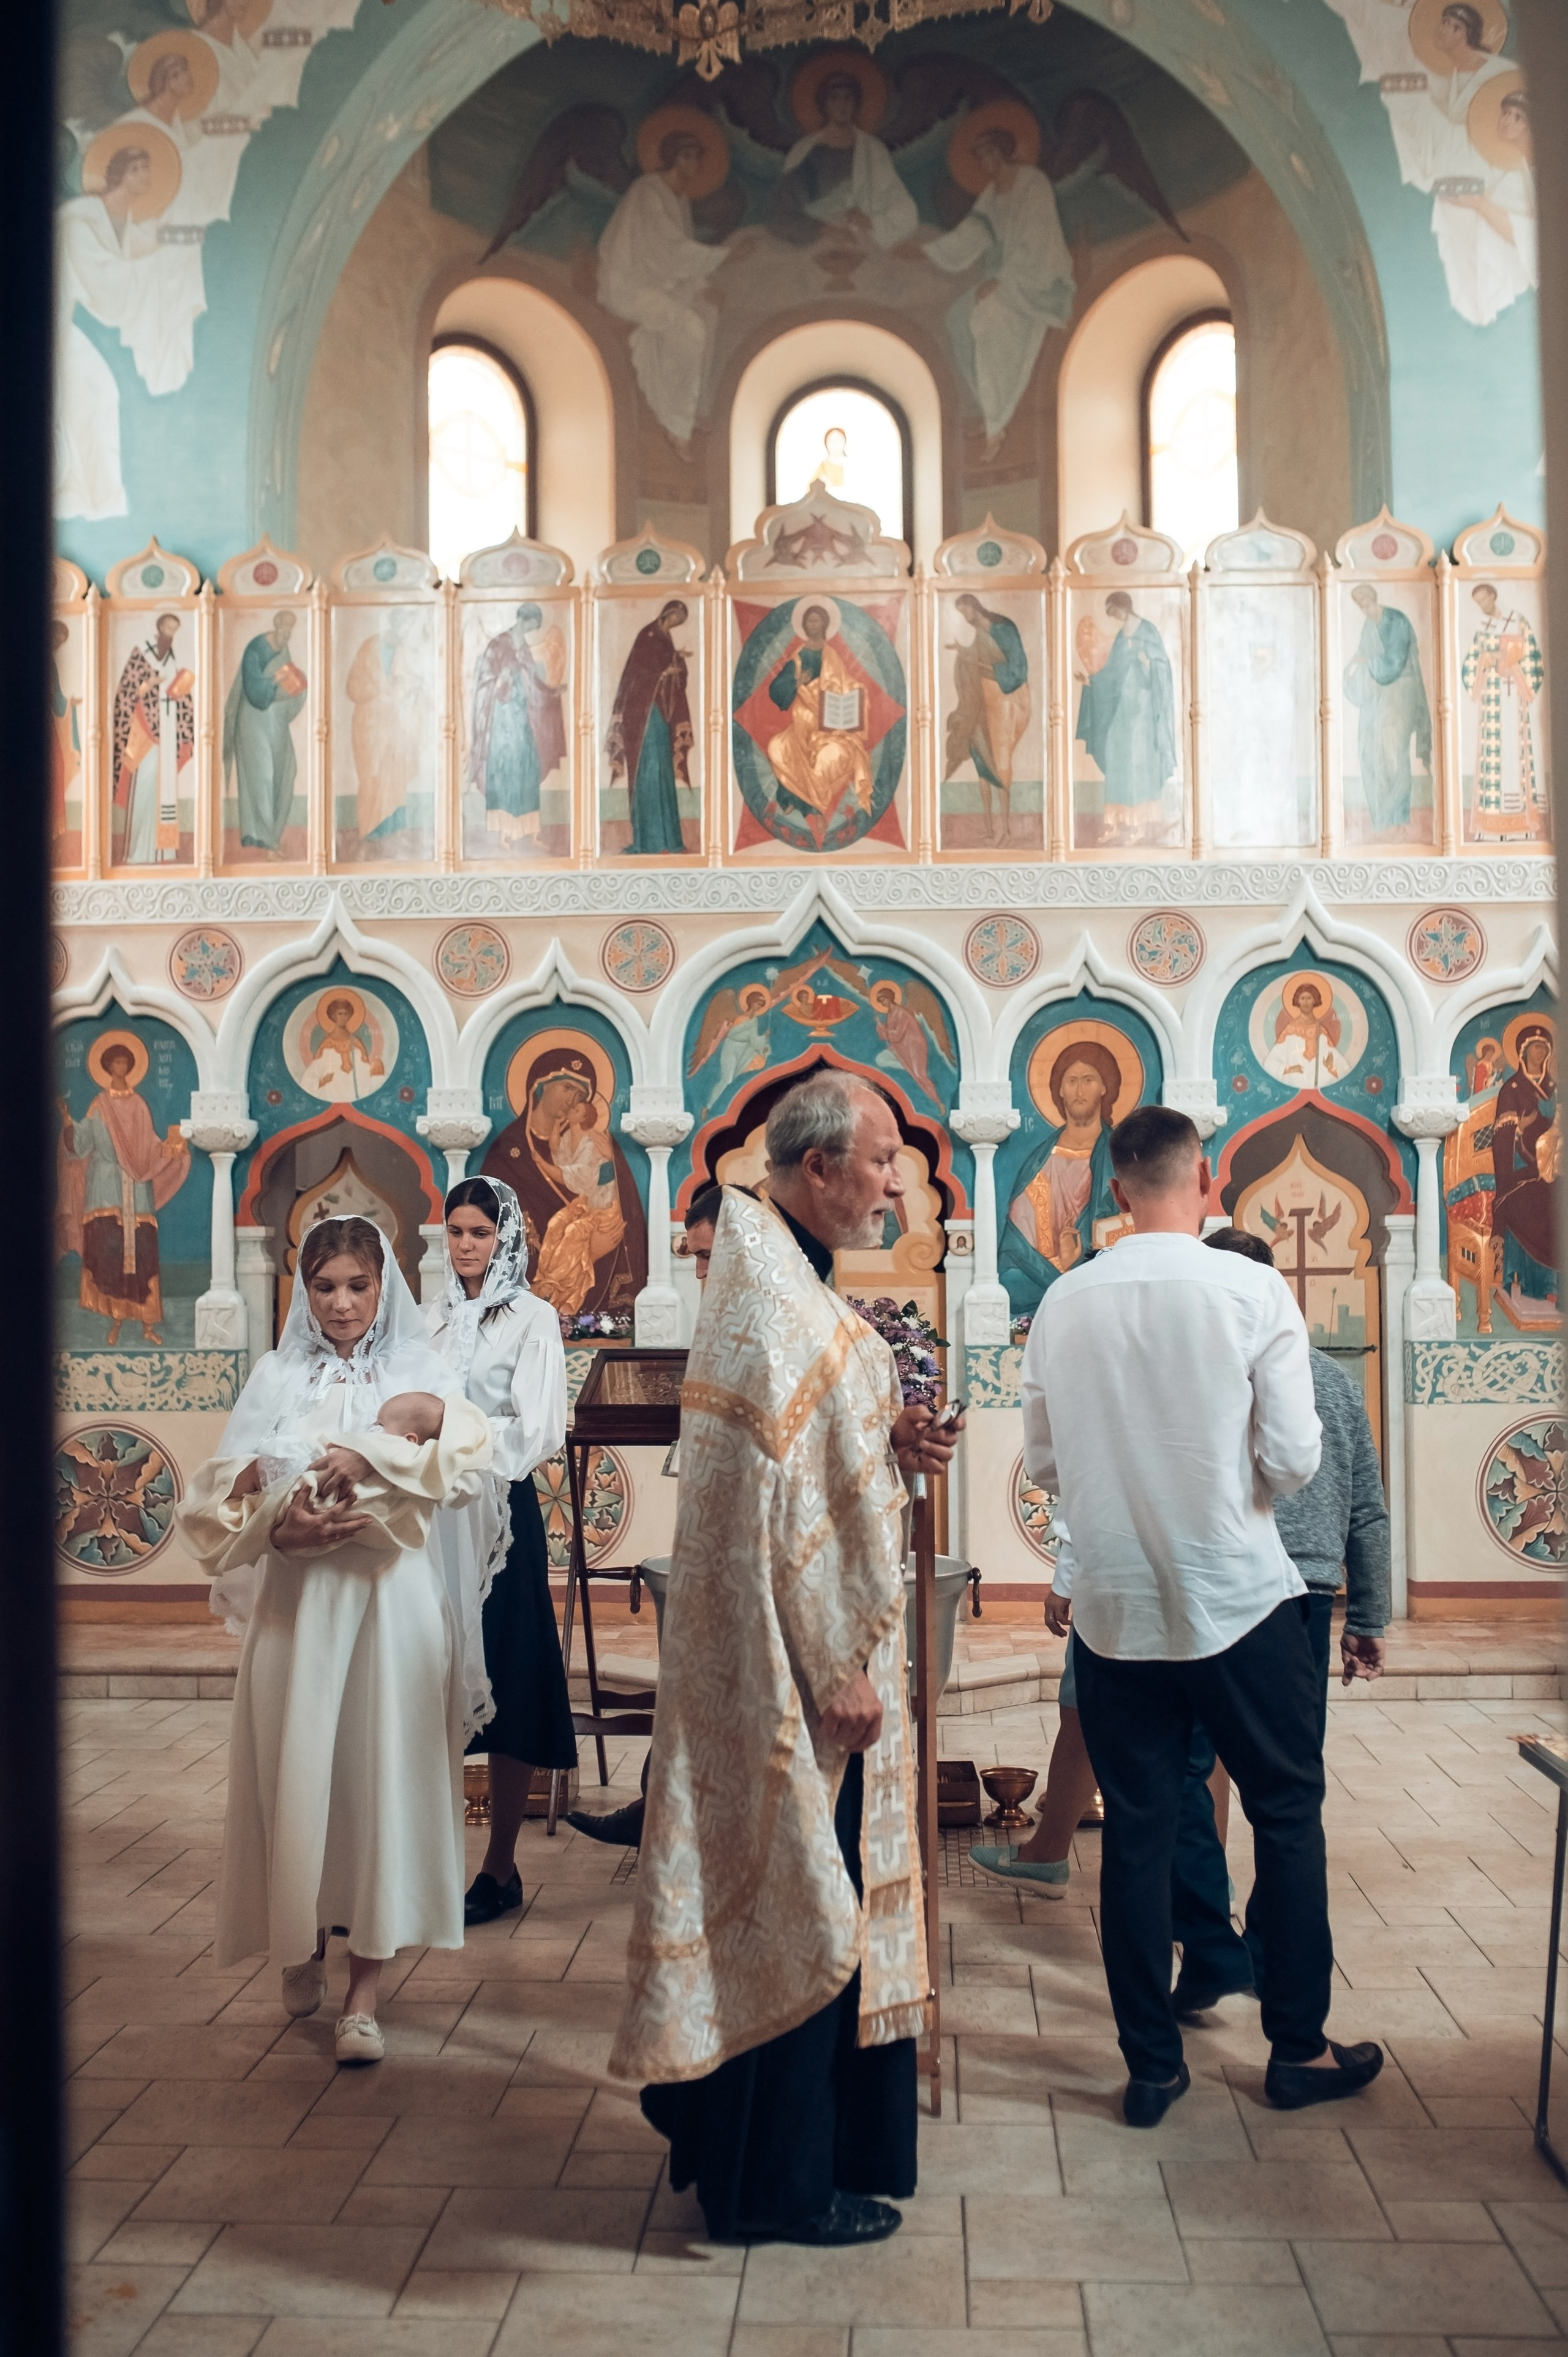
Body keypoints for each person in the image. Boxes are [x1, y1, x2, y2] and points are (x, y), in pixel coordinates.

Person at [610, 1074, 961, 2244]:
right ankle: (771, 2192)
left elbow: (808, 1462)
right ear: (817, 1168)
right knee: (801, 1905)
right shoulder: (769, 1293)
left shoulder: (781, 1275)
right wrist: (833, 1668)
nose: (896, 1183)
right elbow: (776, 1514)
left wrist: (892, 1435)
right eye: (880, 1162)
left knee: (790, 1897)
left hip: (790, 1665)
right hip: (799, 1678)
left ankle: (770, 2160)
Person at [1003, 1105, 1383, 2122]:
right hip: (1240, 1595)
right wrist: (1232, 1484)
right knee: (1287, 1811)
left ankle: (1151, 2066)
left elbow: (1043, 1462)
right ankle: (1295, 2048)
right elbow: (1297, 1457)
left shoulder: (1065, 1302)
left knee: (1136, 1829)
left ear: (1115, 1189)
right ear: (1206, 1180)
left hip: (1118, 1605)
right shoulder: (1252, 1286)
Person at [178, 1217, 491, 2065]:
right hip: (295, 1607)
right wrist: (278, 1532)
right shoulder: (278, 1375)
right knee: (298, 1770)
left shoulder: (422, 1371)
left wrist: (376, 1448)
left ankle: (365, 1991)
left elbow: (467, 1466)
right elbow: (216, 1497)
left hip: (390, 1605)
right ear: (303, 1291)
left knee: (381, 1779)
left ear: (383, 1285)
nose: (343, 1302)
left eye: (358, 1284)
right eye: (325, 1286)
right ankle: (300, 1936)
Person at [427, 1178, 574, 1926]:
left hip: (500, 1514)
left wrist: (461, 1442)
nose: (465, 1246)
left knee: (509, 1678)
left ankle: (500, 1866)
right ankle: (420, 1865)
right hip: (431, 1514)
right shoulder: (431, 1319)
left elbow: (540, 1426)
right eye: (454, 1232)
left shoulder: (531, 1318)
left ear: (506, 1236)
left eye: (479, 1233)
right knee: (433, 1674)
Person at [567, 1181, 726, 1849]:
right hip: (713, 1531)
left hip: (760, 1551)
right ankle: (660, 1805)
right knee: (691, 1681)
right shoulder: (720, 1322)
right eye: (691, 1257)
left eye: (707, 1256)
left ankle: (679, 1814)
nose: (698, 1272)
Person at [915, 124, 1073, 457]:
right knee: (957, 319)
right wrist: (928, 251)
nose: (986, 162)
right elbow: (972, 234)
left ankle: (999, 421)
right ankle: (991, 410)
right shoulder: (991, 193)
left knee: (986, 319)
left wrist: (1004, 280)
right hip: (1001, 276)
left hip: (1035, 282)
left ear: (1003, 151)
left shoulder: (1033, 184)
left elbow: (1038, 242)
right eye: (980, 157)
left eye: (989, 154)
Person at [1343, 583, 1433, 839]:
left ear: (1374, 599)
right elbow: (1361, 658)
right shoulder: (1369, 626)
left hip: (1400, 691)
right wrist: (1350, 673)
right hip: (1377, 694)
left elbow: (1394, 662)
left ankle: (1399, 820)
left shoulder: (1396, 621)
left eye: (1367, 604)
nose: (1365, 610)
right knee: (1369, 750)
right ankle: (1382, 820)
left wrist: (1367, 664)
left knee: (1392, 753)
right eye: (1361, 607)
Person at [605, 601, 695, 855]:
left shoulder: (665, 638)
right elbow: (639, 673)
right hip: (643, 715)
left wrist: (676, 663)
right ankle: (648, 840)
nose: (677, 622)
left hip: (659, 714)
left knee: (662, 770)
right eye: (677, 617)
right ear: (668, 613)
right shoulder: (649, 635)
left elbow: (671, 673)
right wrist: (665, 671)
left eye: (681, 620)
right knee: (648, 770)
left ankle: (668, 838)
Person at [944, 591, 1031, 847]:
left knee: (1000, 760)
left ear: (974, 607)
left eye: (965, 611)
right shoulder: (980, 637)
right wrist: (965, 654)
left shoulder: (1004, 629)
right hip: (982, 699)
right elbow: (977, 659)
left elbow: (1018, 670)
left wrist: (975, 662)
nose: (964, 617)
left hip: (1006, 700)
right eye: (959, 613)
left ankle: (1006, 829)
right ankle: (989, 829)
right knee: (982, 759)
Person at [224, 608, 307, 855]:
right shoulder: (257, 648)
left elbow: (287, 677)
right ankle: (266, 839)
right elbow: (255, 691)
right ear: (276, 626)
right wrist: (277, 681)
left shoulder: (283, 648)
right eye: (285, 628)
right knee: (262, 777)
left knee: (287, 771)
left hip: (275, 721)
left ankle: (264, 834)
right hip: (253, 720)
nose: (288, 634)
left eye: (291, 630)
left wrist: (296, 684)